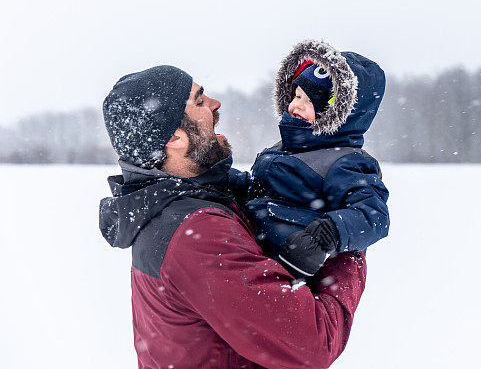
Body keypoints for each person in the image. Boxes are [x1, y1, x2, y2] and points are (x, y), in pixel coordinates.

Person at [98, 65, 367, 369]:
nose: (215, 104)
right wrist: (345, 238)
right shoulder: (197, 233)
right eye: (199, 102)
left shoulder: (169, 204)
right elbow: (315, 342)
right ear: (175, 139)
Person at [234, 40, 389, 278]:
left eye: (310, 101)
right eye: (297, 95)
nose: (296, 106)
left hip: (296, 269)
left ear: (338, 113)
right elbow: (259, 189)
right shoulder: (285, 147)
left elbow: (374, 215)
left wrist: (328, 233)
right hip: (256, 255)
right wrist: (226, 178)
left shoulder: (345, 162)